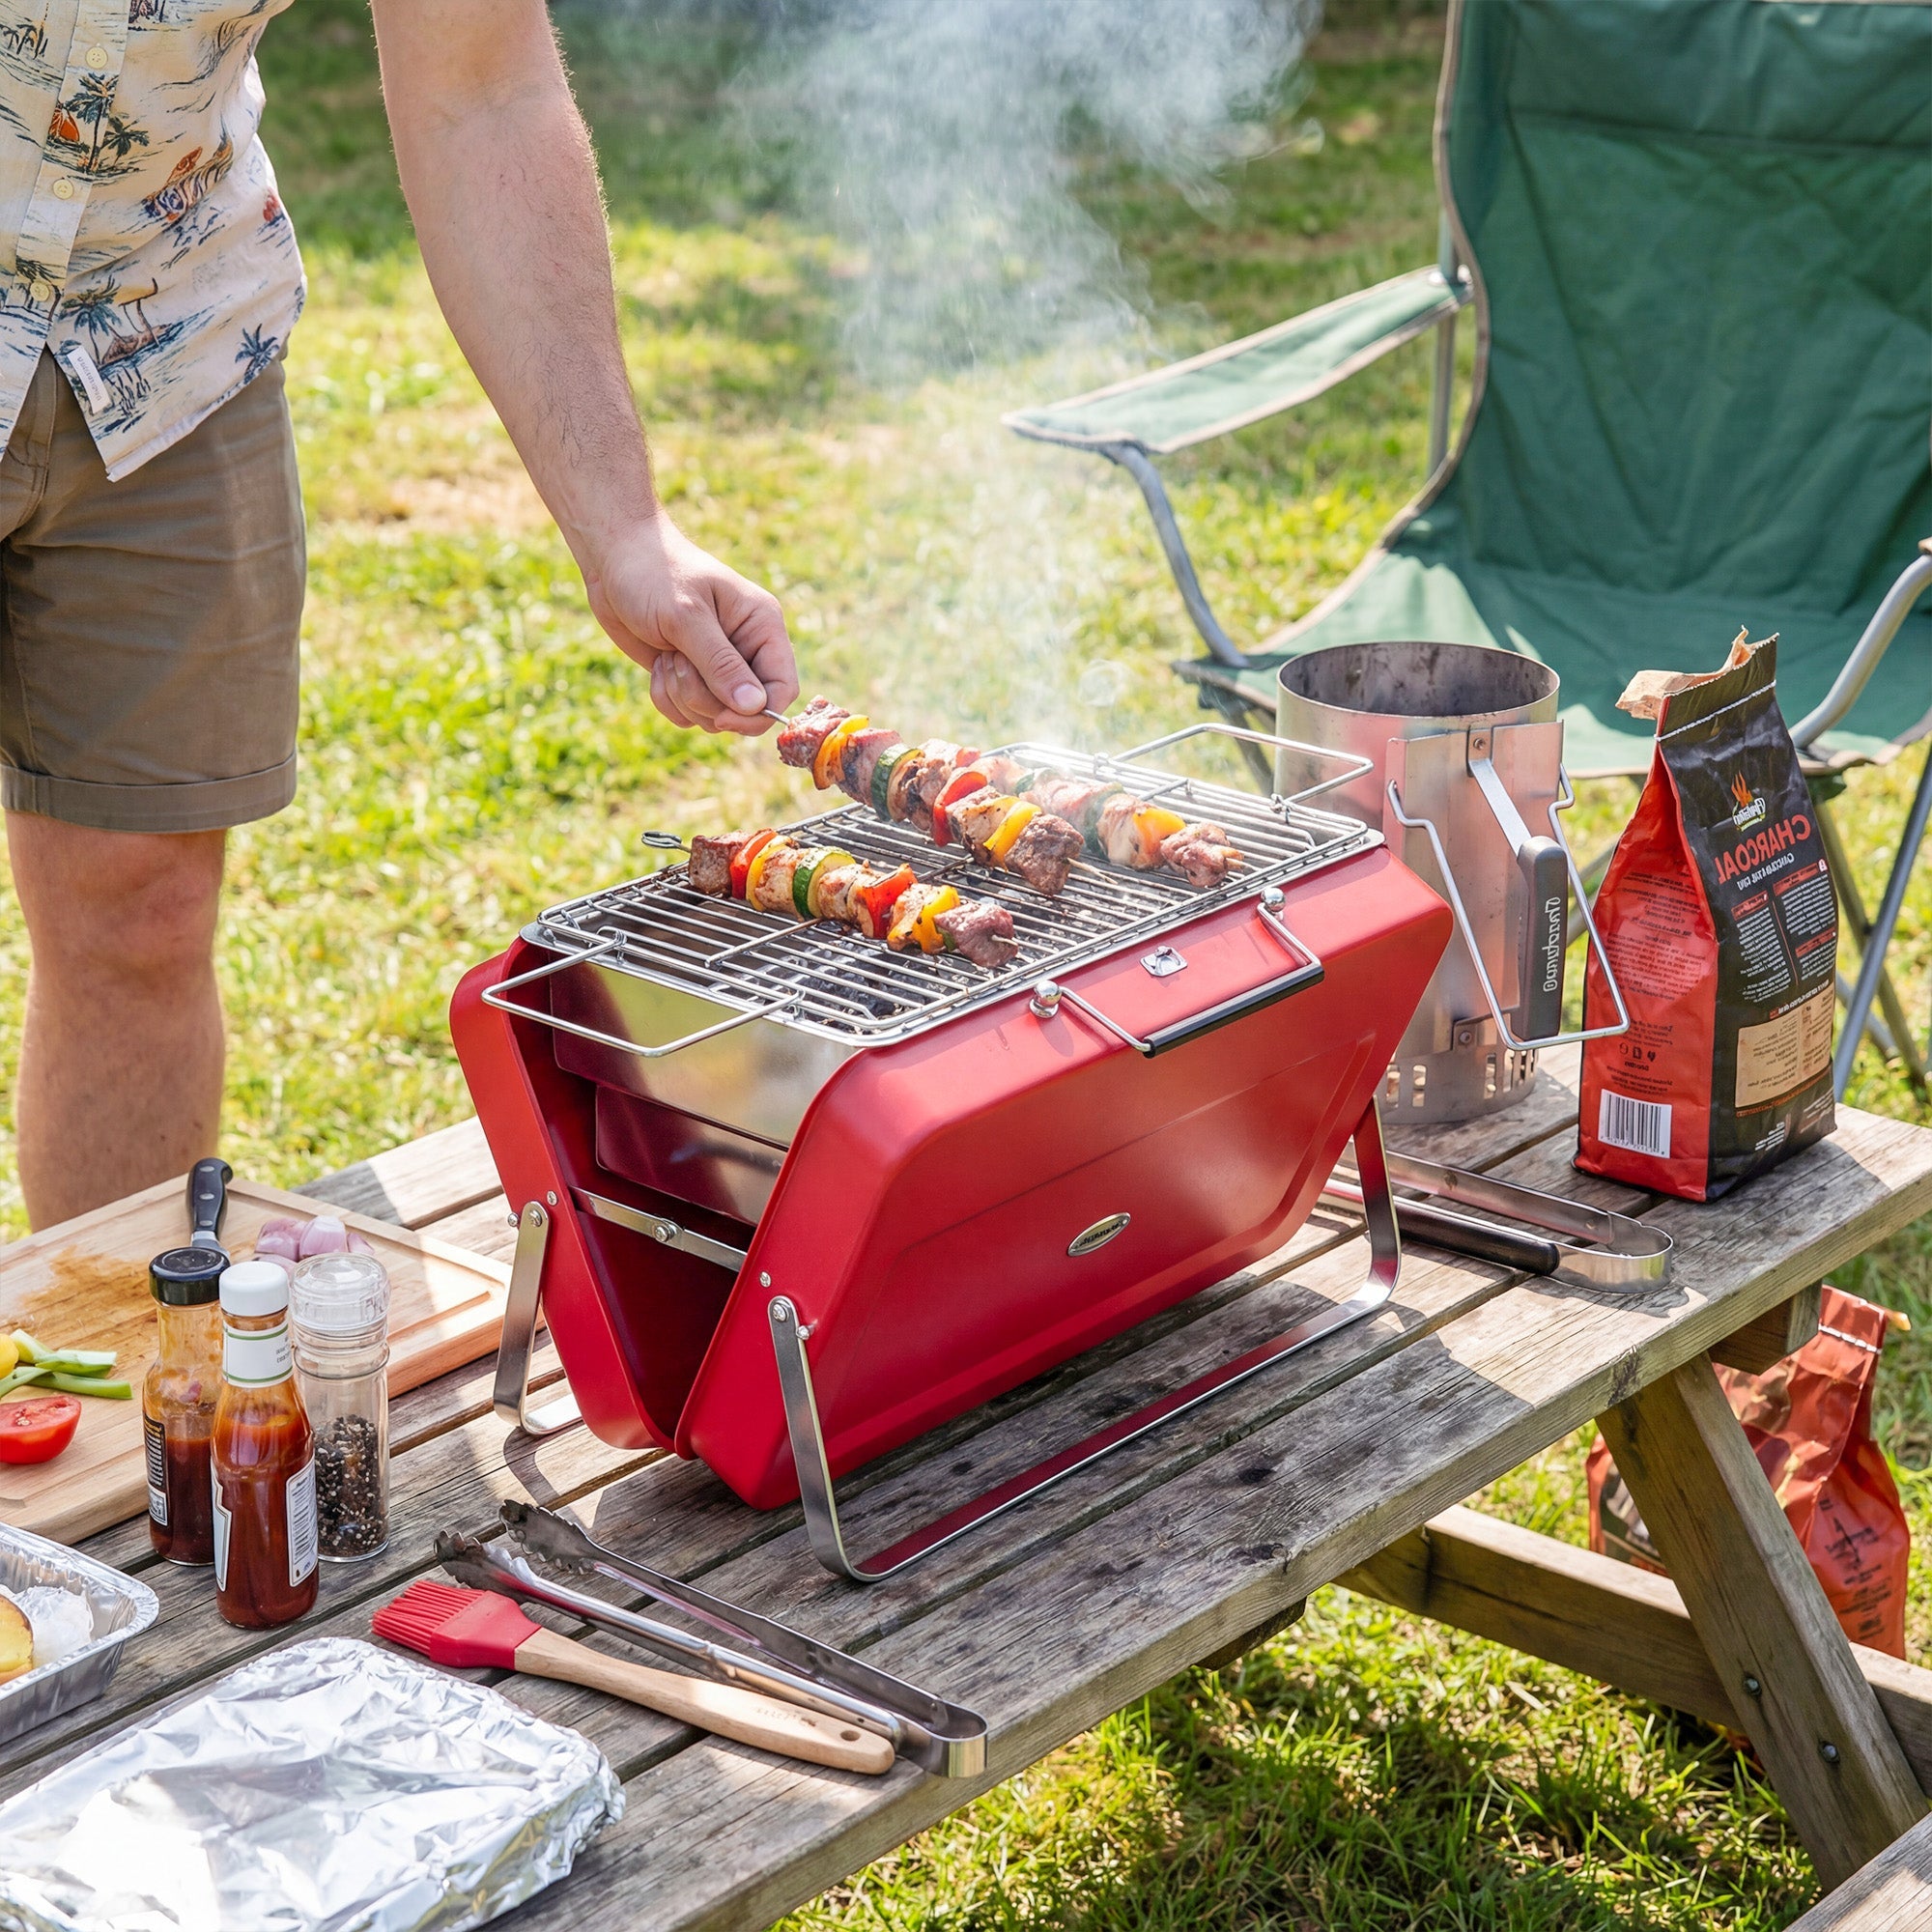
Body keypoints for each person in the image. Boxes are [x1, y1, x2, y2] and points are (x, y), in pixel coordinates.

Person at [0, 0, 798, 1228]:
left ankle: (115, 1397)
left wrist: (625, 530)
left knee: (142, 906)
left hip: (162, 330)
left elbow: (482, 92)